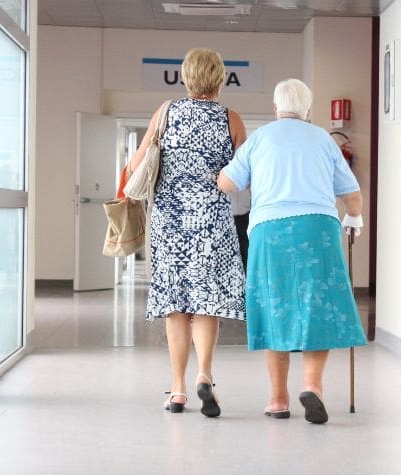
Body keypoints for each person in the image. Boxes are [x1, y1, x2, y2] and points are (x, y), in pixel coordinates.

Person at [217, 78, 367, 424]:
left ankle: (278, 399)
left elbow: (228, 183)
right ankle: (312, 387)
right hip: (319, 228)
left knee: (275, 307)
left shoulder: (260, 139)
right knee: (317, 305)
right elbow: (352, 194)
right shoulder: (322, 140)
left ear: (275, 108)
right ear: (309, 110)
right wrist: (354, 218)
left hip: (270, 232)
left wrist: (225, 172)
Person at [127, 48, 247, 417]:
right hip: (211, 222)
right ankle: (205, 375)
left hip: (169, 223)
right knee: (206, 303)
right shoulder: (231, 119)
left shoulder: (166, 112)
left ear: (185, 78)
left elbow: (136, 164)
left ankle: (178, 390)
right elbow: (242, 176)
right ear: (220, 79)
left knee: (175, 306)